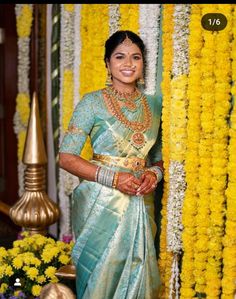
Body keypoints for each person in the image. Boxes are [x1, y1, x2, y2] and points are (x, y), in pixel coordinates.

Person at [59, 30, 163, 299]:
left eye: (135, 57)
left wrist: (154, 174)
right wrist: (114, 179)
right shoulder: (91, 103)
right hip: (102, 201)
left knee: (139, 272)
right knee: (101, 275)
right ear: (107, 63)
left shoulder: (155, 104)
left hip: (142, 198)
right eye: (120, 57)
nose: (128, 64)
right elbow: (66, 157)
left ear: (143, 64)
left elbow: (160, 156)